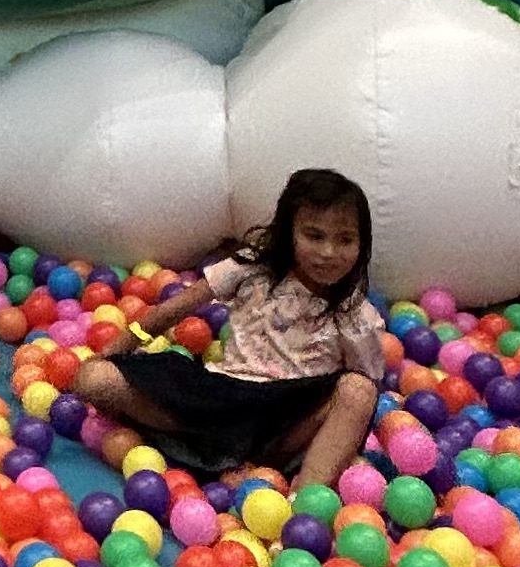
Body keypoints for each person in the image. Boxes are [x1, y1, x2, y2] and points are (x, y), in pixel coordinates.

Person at [73, 166, 389, 485]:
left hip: (286, 419)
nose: (328, 252)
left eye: (345, 239)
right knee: (94, 379)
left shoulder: (356, 315)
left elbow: (363, 392)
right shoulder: (254, 267)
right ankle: (212, 454)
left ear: (362, 245)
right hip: (220, 400)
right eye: (314, 236)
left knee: (359, 390)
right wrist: (116, 348)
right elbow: (175, 309)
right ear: (289, 232)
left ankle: (307, 498)